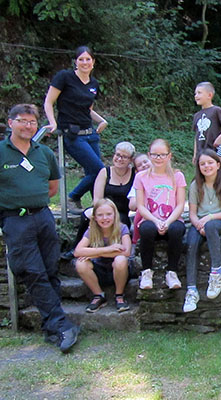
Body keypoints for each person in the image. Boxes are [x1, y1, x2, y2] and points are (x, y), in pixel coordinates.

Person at [1, 104, 79, 352]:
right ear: (10, 122)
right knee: (31, 270)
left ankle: (51, 326)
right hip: (15, 219)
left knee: (49, 267)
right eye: (22, 121)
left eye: (32, 122)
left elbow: (53, 187)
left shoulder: (43, 152)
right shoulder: (1, 152)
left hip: (44, 217)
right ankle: (61, 325)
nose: (28, 126)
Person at [43, 46, 107, 214]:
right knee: (100, 171)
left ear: (93, 62)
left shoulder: (94, 84)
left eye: (88, 59)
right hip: (73, 134)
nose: (85, 62)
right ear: (76, 62)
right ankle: (73, 197)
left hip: (91, 134)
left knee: (95, 173)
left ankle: (97, 209)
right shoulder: (65, 77)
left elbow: (87, 109)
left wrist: (101, 120)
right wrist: (53, 122)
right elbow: (49, 102)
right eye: (81, 59)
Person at [62, 141, 137, 261]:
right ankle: (77, 247)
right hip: (103, 208)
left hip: (122, 212)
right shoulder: (105, 172)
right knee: (87, 215)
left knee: (121, 221)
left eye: (124, 157)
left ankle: (111, 252)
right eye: (117, 155)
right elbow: (97, 199)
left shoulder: (135, 174)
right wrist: (103, 213)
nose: (119, 159)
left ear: (131, 160)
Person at [183, 149, 221, 312]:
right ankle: (191, 290)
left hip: (218, 222)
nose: (207, 166)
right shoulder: (195, 185)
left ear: (218, 165)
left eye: (210, 162)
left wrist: (208, 219)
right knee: (191, 244)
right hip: (199, 223)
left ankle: (216, 271)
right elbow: (192, 213)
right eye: (202, 164)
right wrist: (199, 224)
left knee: (211, 226)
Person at [134, 139, 186, 290]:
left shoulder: (177, 176)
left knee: (177, 230)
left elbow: (180, 204)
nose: (159, 158)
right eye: (155, 155)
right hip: (150, 219)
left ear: (169, 156)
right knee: (147, 229)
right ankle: (146, 272)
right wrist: (156, 221)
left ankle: (172, 272)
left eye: (162, 155)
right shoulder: (141, 177)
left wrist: (168, 222)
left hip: (172, 219)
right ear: (149, 155)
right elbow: (140, 206)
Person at [74, 199, 132, 313]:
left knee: (121, 259)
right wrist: (107, 249)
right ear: (95, 217)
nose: (105, 218)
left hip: (119, 270)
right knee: (81, 263)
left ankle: (119, 295)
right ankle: (98, 295)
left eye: (109, 214)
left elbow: (126, 252)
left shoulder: (122, 228)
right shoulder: (92, 230)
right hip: (98, 270)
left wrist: (93, 253)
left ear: (115, 215)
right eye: (100, 215)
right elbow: (77, 252)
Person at [192, 81, 221, 156]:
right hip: (201, 153)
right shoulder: (196, 115)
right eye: (195, 93)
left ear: (209, 95)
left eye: (199, 93)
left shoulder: (216, 111)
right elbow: (196, 136)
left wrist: (220, 138)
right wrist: (195, 154)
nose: (196, 96)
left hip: (215, 151)